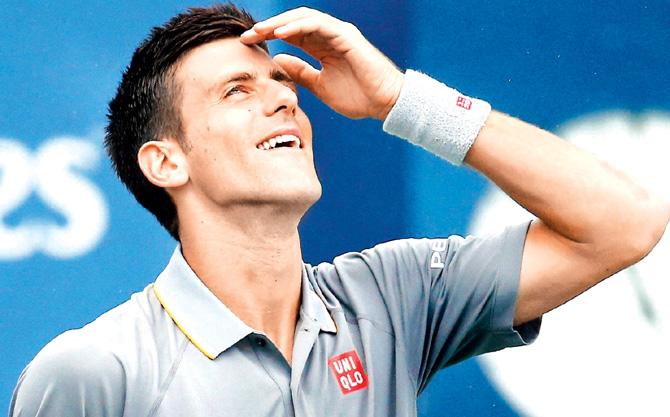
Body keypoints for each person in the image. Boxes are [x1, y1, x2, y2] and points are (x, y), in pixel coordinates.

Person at [9, 4, 669, 417]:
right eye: (237, 90)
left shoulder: (395, 296)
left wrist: (400, 100)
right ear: (166, 163)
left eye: (282, 81)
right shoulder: (94, 373)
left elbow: (625, 221)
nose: (284, 100)